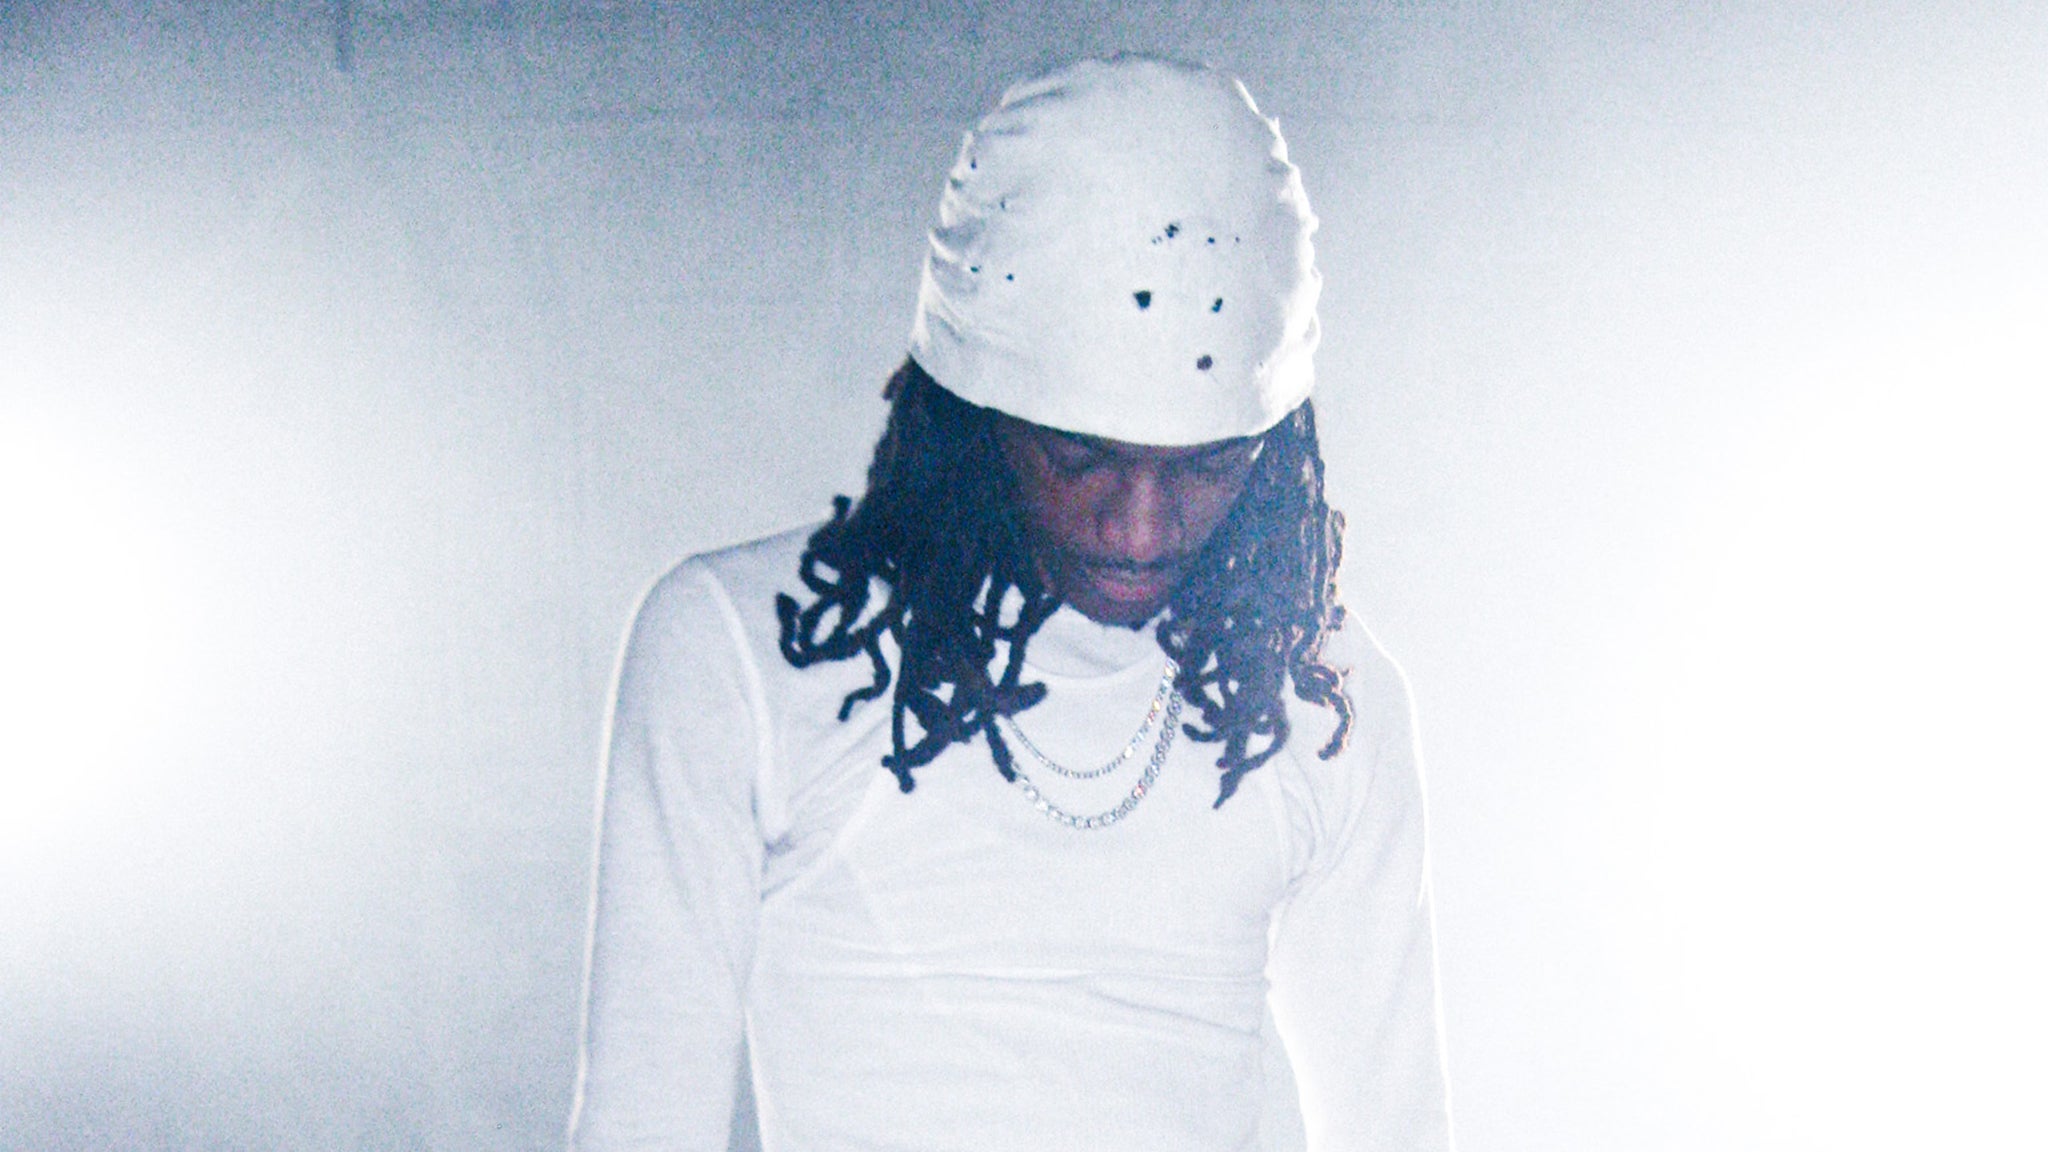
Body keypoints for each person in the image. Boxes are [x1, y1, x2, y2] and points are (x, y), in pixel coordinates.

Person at [568, 55, 1452, 1152]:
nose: (1141, 529)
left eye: (1207, 465)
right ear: (970, 413)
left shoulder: (1325, 697)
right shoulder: (736, 652)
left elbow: (1398, 1131)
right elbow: (641, 1124)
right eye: (1081, 457)